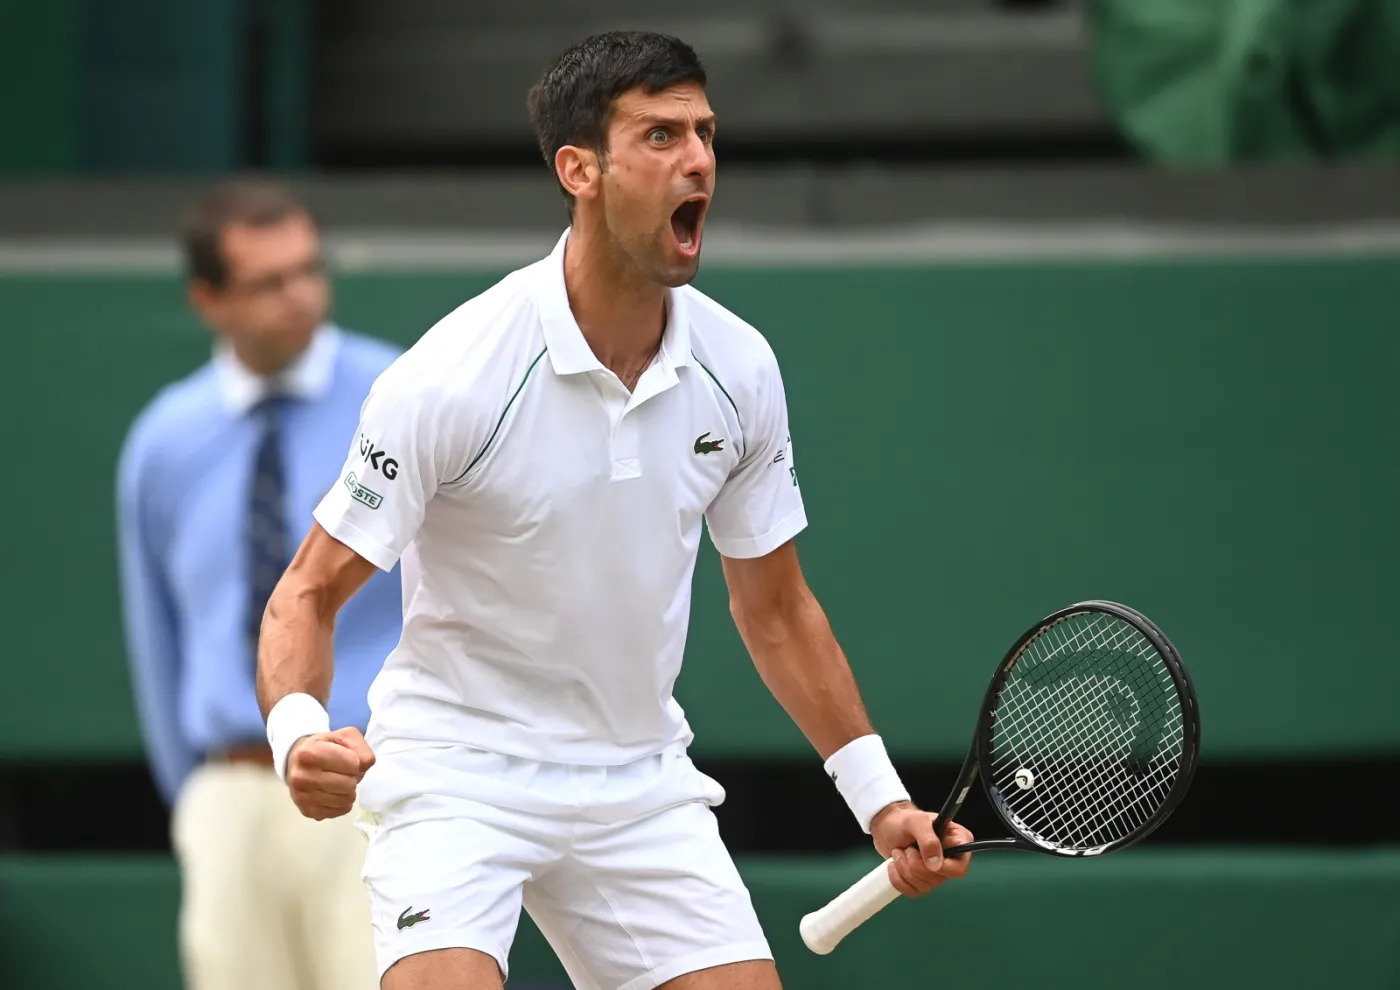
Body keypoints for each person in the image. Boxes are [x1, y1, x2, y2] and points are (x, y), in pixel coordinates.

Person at [257, 31, 973, 990]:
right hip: (457, 773)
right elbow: (305, 594)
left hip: (637, 783)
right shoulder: (449, 377)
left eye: (706, 133)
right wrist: (299, 732)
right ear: (579, 169)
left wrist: (882, 802)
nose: (700, 160)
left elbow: (778, 610)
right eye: (662, 135)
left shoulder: (742, 370)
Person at [116, 180, 400, 990]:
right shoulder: (163, 441)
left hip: (373, 776)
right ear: (210, 299)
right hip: (233, 787)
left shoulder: (398, 398)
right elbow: (158, 634)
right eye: (268, 282)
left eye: (309, 269)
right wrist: (200, 798)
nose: (300, 296)